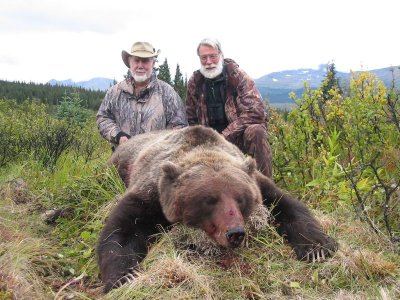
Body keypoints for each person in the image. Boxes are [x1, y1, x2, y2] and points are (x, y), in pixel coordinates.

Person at [185, 38, 272, 177]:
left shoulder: (237, 76)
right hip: (209, 142)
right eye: (204, 58)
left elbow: (256, 112)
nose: (208, 62)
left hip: (236, 138)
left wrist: (222, 137)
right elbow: (191, 118)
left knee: (256, 131)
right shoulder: (195, 81)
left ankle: (266, 190)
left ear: (220, 54)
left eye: (212, 56)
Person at [97, 41, 188, 150]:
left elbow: (180, 128)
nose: (140, 66)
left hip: (155, 162)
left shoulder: (168, 93)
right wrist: (118, 135)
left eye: (145, 61)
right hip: (122, 160)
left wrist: (160, 145)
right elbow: (103, 118)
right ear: (130, 63)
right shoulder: (115, 92)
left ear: (153, 63)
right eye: (136, 61)